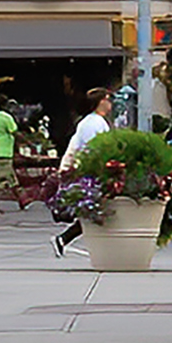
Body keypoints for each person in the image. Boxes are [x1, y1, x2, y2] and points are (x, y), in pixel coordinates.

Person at [51, 87, 112, 257]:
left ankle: (64, 239)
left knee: (94, 211)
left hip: (86, 171)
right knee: (94, 210)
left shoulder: (96, 121)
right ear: (100, 102)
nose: (110, 104)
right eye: (108, 99)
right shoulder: (93, 123)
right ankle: (65, 238)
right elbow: (94, 150)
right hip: (84, 172)